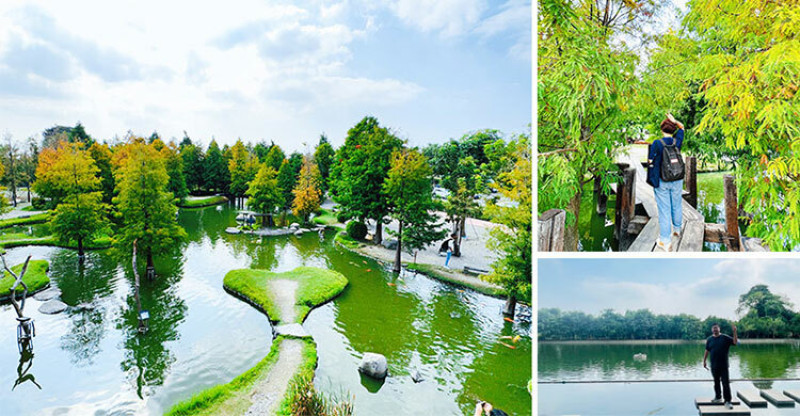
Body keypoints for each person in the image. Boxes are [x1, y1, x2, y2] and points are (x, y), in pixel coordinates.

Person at [647, 113, 685, 252]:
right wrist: (675, 121)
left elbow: (651, 161)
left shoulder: (657, 143)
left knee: (664, 210)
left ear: (662, 129)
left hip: (662, 181)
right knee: (676, 205)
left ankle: (665, 241)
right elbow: (682, 128)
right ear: (673, 130)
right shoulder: (677, 141)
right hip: (676, 178)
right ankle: (677, 230)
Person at [703, 323, 738, 409]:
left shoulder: (725, 337)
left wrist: (734, 332)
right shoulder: (709, 339)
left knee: (725, 383)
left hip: (724, 365)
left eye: (716, 328)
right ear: (712, 330)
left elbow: (735, 342)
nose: (715, 329)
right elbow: (707, 350)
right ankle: (718, 397)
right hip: (714, 365)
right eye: (713, 328)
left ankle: (728, 401)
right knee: (716, 382)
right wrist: (704, 361)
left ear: (719, 329)